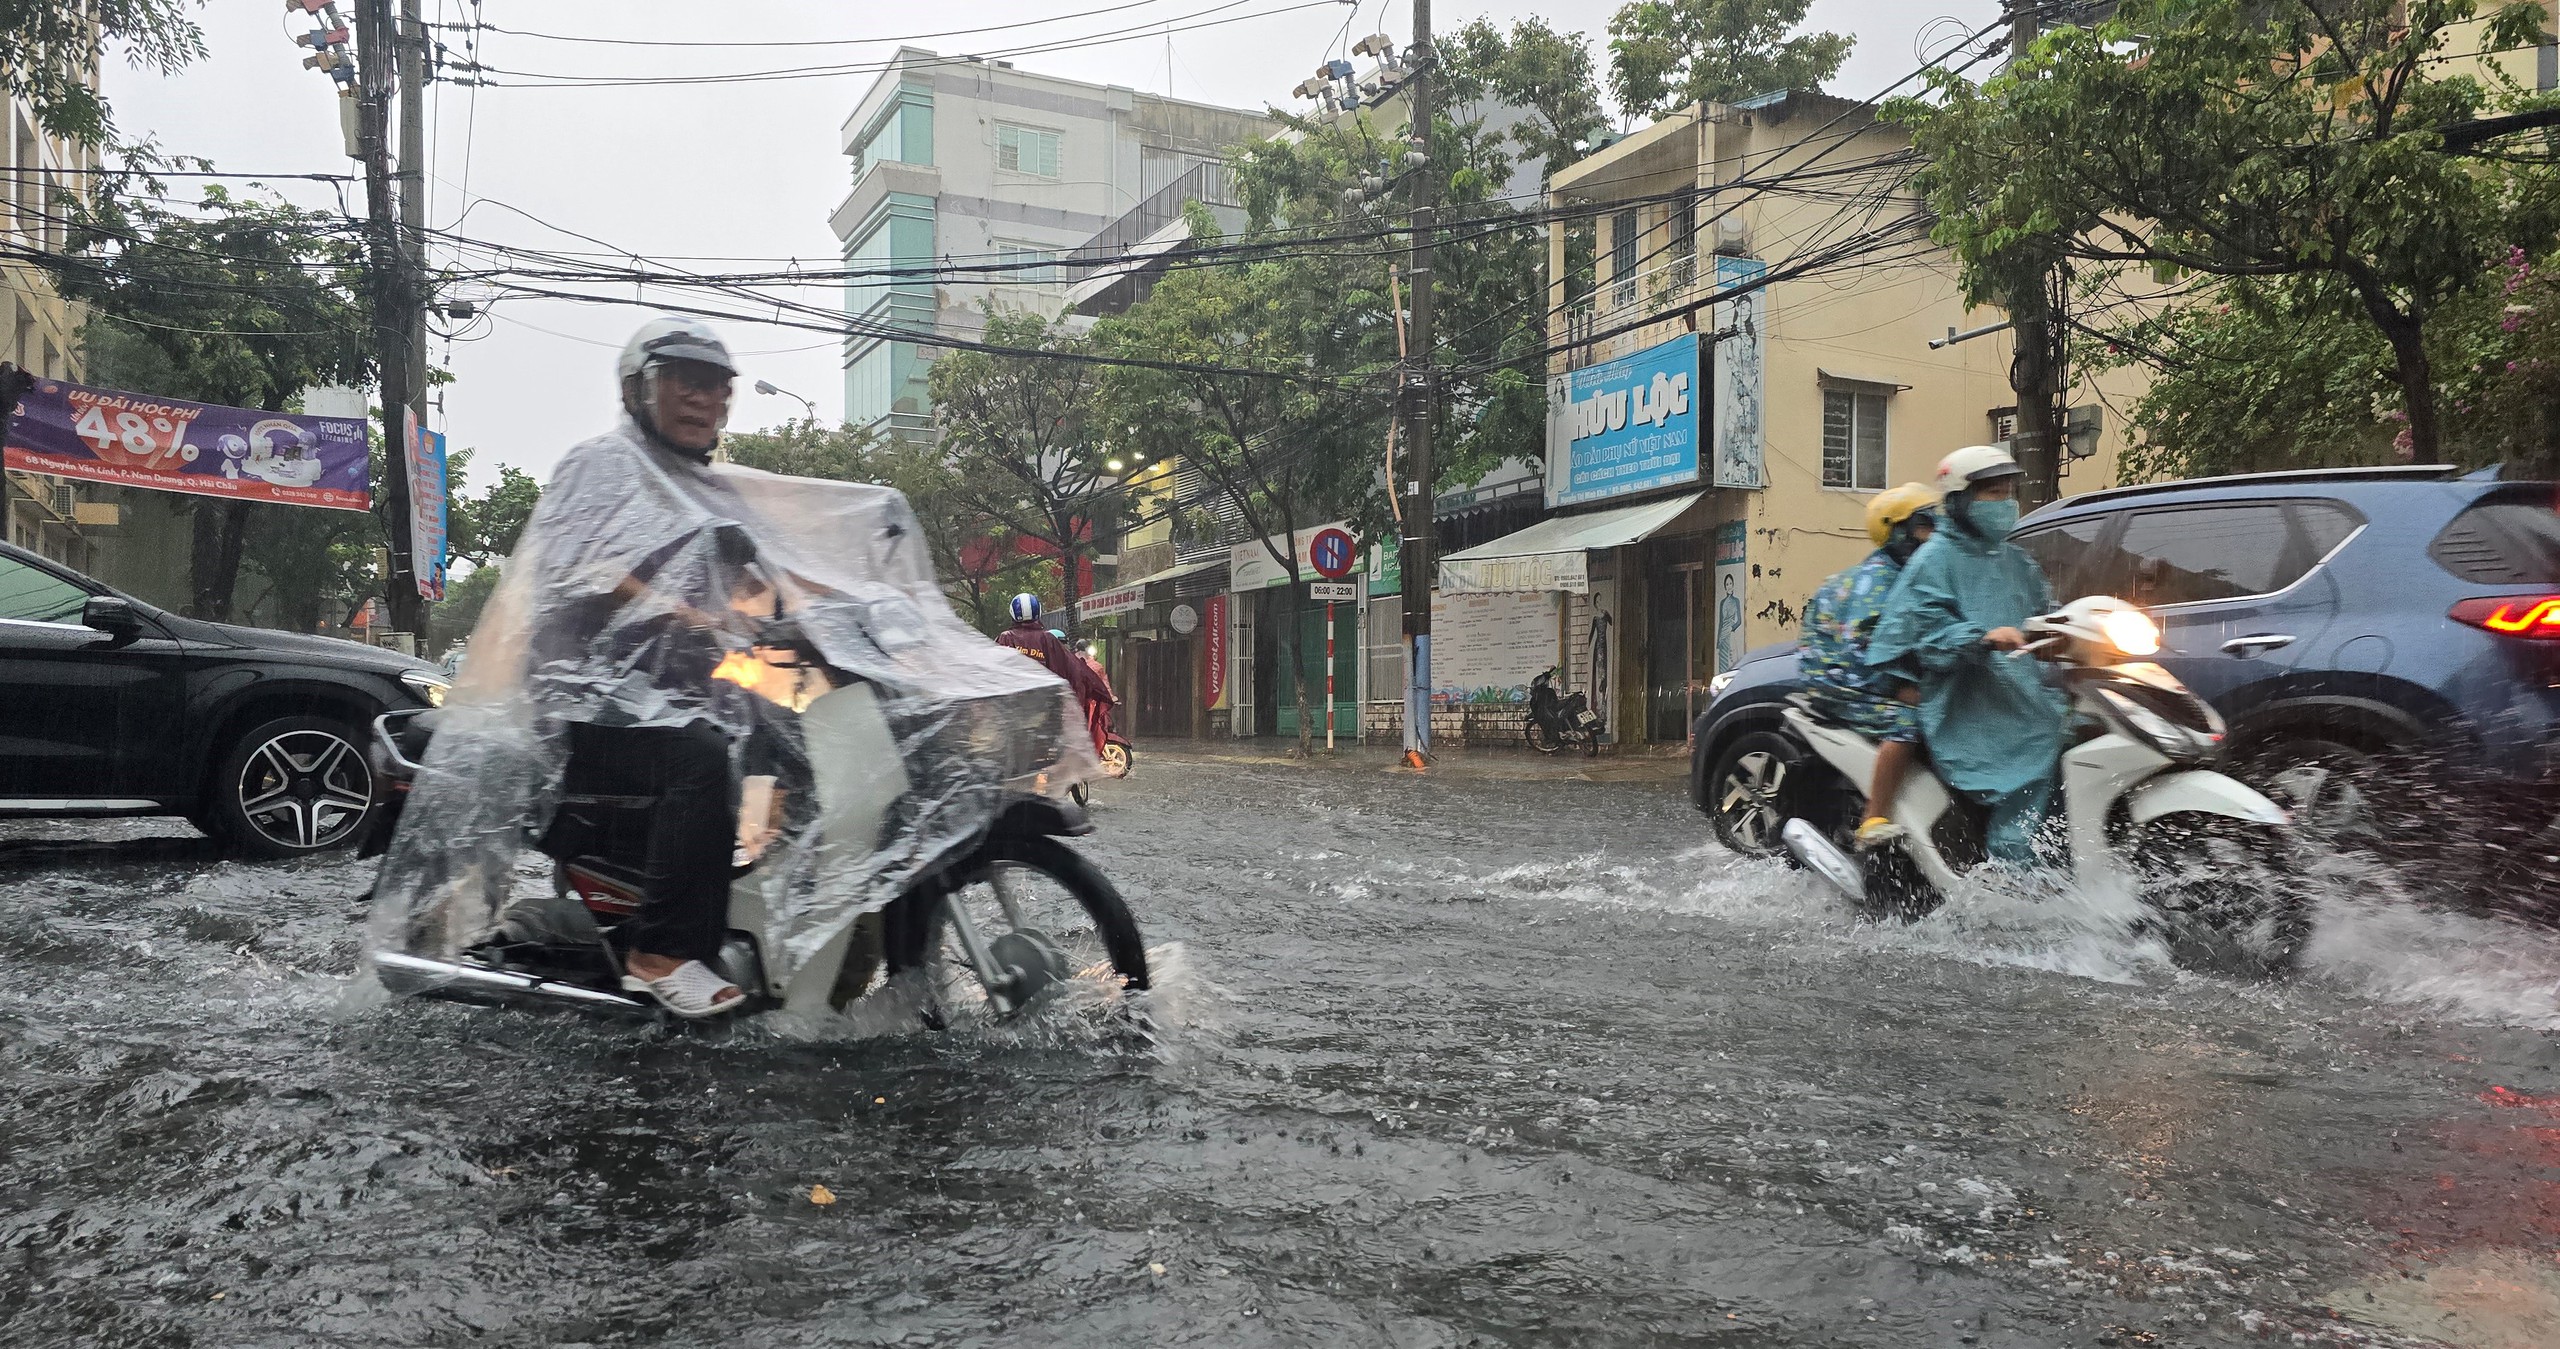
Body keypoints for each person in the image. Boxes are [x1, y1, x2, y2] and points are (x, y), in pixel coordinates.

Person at [529, 315, 759, 1017]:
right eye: (685, 382)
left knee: (786, 734)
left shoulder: (702, 486)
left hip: (663, 693)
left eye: (718, 387)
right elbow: (572, 565)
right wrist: (671, 608)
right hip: (579, 700)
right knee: (702, 758)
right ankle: (659, 950)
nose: (705, 399)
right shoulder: (600, 463)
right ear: (636, 389)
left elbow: (758, 573)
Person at [1865, 445, 2071, 865]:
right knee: (2029, 773)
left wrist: (2071, 634)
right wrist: (1979, 638)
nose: (2006, 503)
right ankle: (2013, 873)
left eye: (2009, 492)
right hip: (1969, 701)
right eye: (1992, 493)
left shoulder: (2015, 559)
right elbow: (1924, 629)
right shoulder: (1934, 560)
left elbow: (2046, 614)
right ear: (1960, 500)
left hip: (2021, 690)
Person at [1797, 483, 1937, 848]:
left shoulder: (1905, 574)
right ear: (1897, 531)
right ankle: (1875, 817)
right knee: (1907, 721)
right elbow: (1870, 652)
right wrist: (1903, 690)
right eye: (1924, 524)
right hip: (1843, 681)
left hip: (1856, 674)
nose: (1933, 533)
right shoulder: (1880, 580)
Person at [994, 594, 1111, 709]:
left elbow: (994, 672)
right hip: (1047, 711)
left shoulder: (1005, 638)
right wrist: (1097, 690)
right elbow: (1073, 670)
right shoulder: (1047, 639)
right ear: (1038, 613)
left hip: (1013, 710)